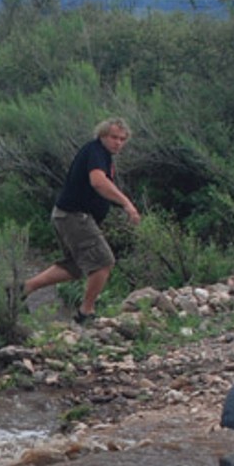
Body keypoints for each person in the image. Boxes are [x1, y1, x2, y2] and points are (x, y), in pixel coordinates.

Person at [22, 118, 141, 323]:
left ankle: (24, 288)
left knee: (75, 266)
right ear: (103, 136)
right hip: (74, 215)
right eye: (114, 137)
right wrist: (126, 203)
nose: (118, 143)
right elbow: (98, 182)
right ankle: (86, 312)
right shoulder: (95, 151)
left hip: (68, 215)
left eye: (122, 139)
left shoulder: (102, 155)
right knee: (104, 262)